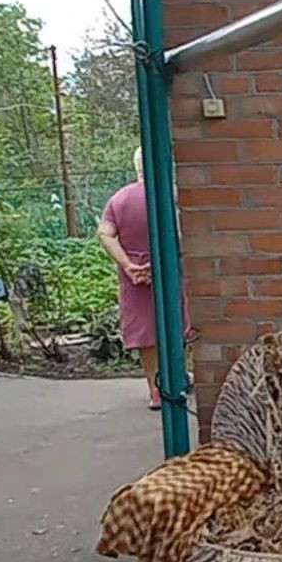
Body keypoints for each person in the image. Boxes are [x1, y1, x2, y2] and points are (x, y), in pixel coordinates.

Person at [99, 148, 174, 409]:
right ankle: (175, 379)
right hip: (169, 270)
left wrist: (128, 265)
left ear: (136, 167)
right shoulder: (171, 194)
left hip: (136, 276)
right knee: (176, 323)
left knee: (145, 331)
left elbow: (105, 233)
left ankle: (154, 388)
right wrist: (163, 260)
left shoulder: (118, 199)